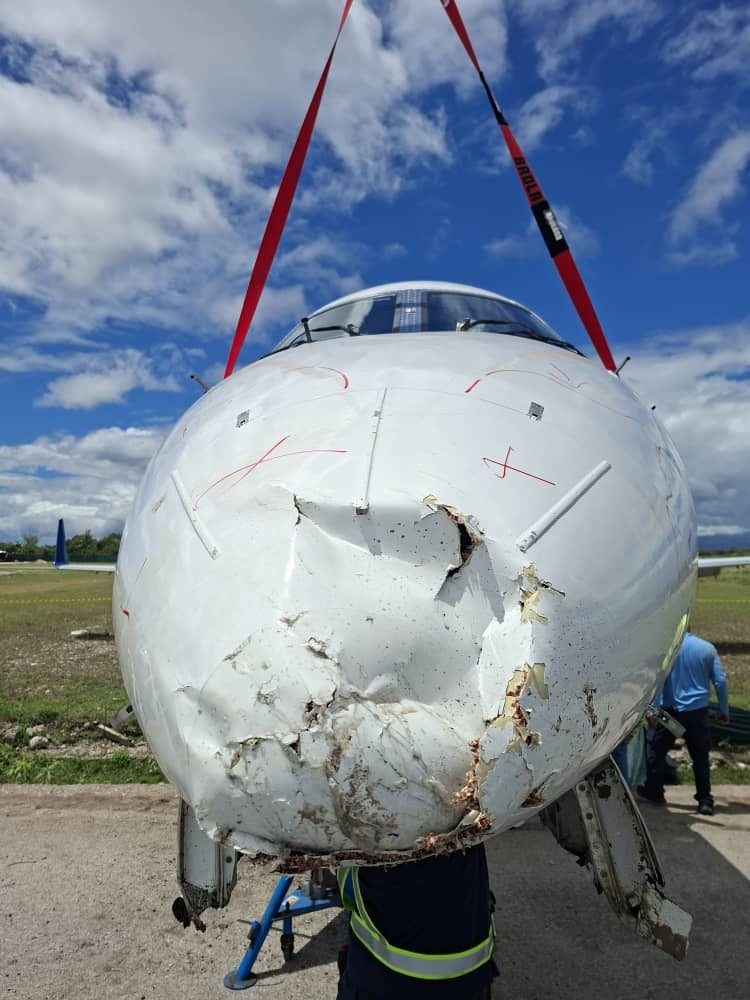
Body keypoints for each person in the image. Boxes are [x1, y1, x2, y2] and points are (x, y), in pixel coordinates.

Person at [336, 843, 498, 999]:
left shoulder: (370, 834)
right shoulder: (471, 824)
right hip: (469, 978)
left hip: (381, 984)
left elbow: (347, 888)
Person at [637, 629, 730, 816]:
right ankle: (705, 800)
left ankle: (654, 791)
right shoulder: (707, 648)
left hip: (668, 714)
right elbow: (720, 681)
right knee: (700, 757)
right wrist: (723, 710)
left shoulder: (666, 650)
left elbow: (656, 681)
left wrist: (652, 710)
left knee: (655, 749)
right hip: (697, 713)